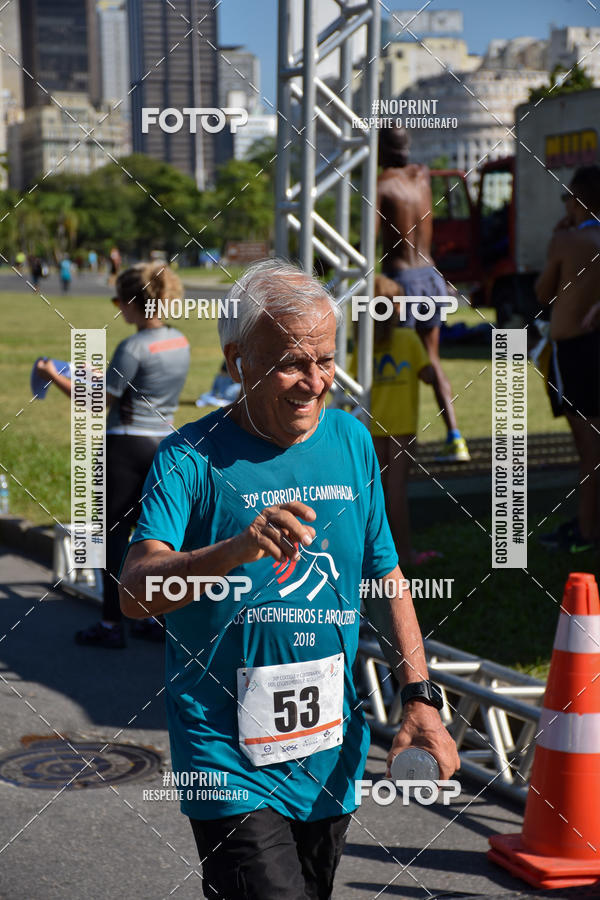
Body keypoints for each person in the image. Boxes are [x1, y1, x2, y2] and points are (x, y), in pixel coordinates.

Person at [119, 260, 459, 900]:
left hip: (329, 751)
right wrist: (235, 549)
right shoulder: (189, 457)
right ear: (236, 359)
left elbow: (384, 576)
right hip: (225, 758)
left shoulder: (353, 440)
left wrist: (420, 696)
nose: (313, 383)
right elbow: (135, 592)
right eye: (291, 364)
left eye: (325, 361)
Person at [35, 261, 190, 646]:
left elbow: (98, 400)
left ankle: (109, 625)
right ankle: (151, 617)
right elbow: (140, 386)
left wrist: (51, 373)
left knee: (111, 540)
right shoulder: (179, 341)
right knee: (155, 536)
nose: (116, 307)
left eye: (119, 300)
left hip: (124, 447)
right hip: (162, 445)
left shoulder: (131, 346)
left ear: (133, 303)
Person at [377, 126, 470, 463]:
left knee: (395, 359)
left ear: (378, 149)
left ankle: (399, 448)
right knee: (430, 359)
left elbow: (367, 240)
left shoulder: (381, 185)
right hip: (432, 275)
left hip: (401, 280)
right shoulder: (422, 176)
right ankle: (455, 436)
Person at [536, 165, 600, 553]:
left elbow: (544, 293)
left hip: (574, 351)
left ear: (577, 201)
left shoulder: (567, 241)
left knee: (589, 452)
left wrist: (557, 239)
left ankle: (587, 532)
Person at [367, 275, 441, 565]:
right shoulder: (409, 339)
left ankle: (377, 554)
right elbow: (429, 376)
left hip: (374, 425)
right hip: (403, 426)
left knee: (380, 491)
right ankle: (404, 553)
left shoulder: (366, 344)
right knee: (397, 490)